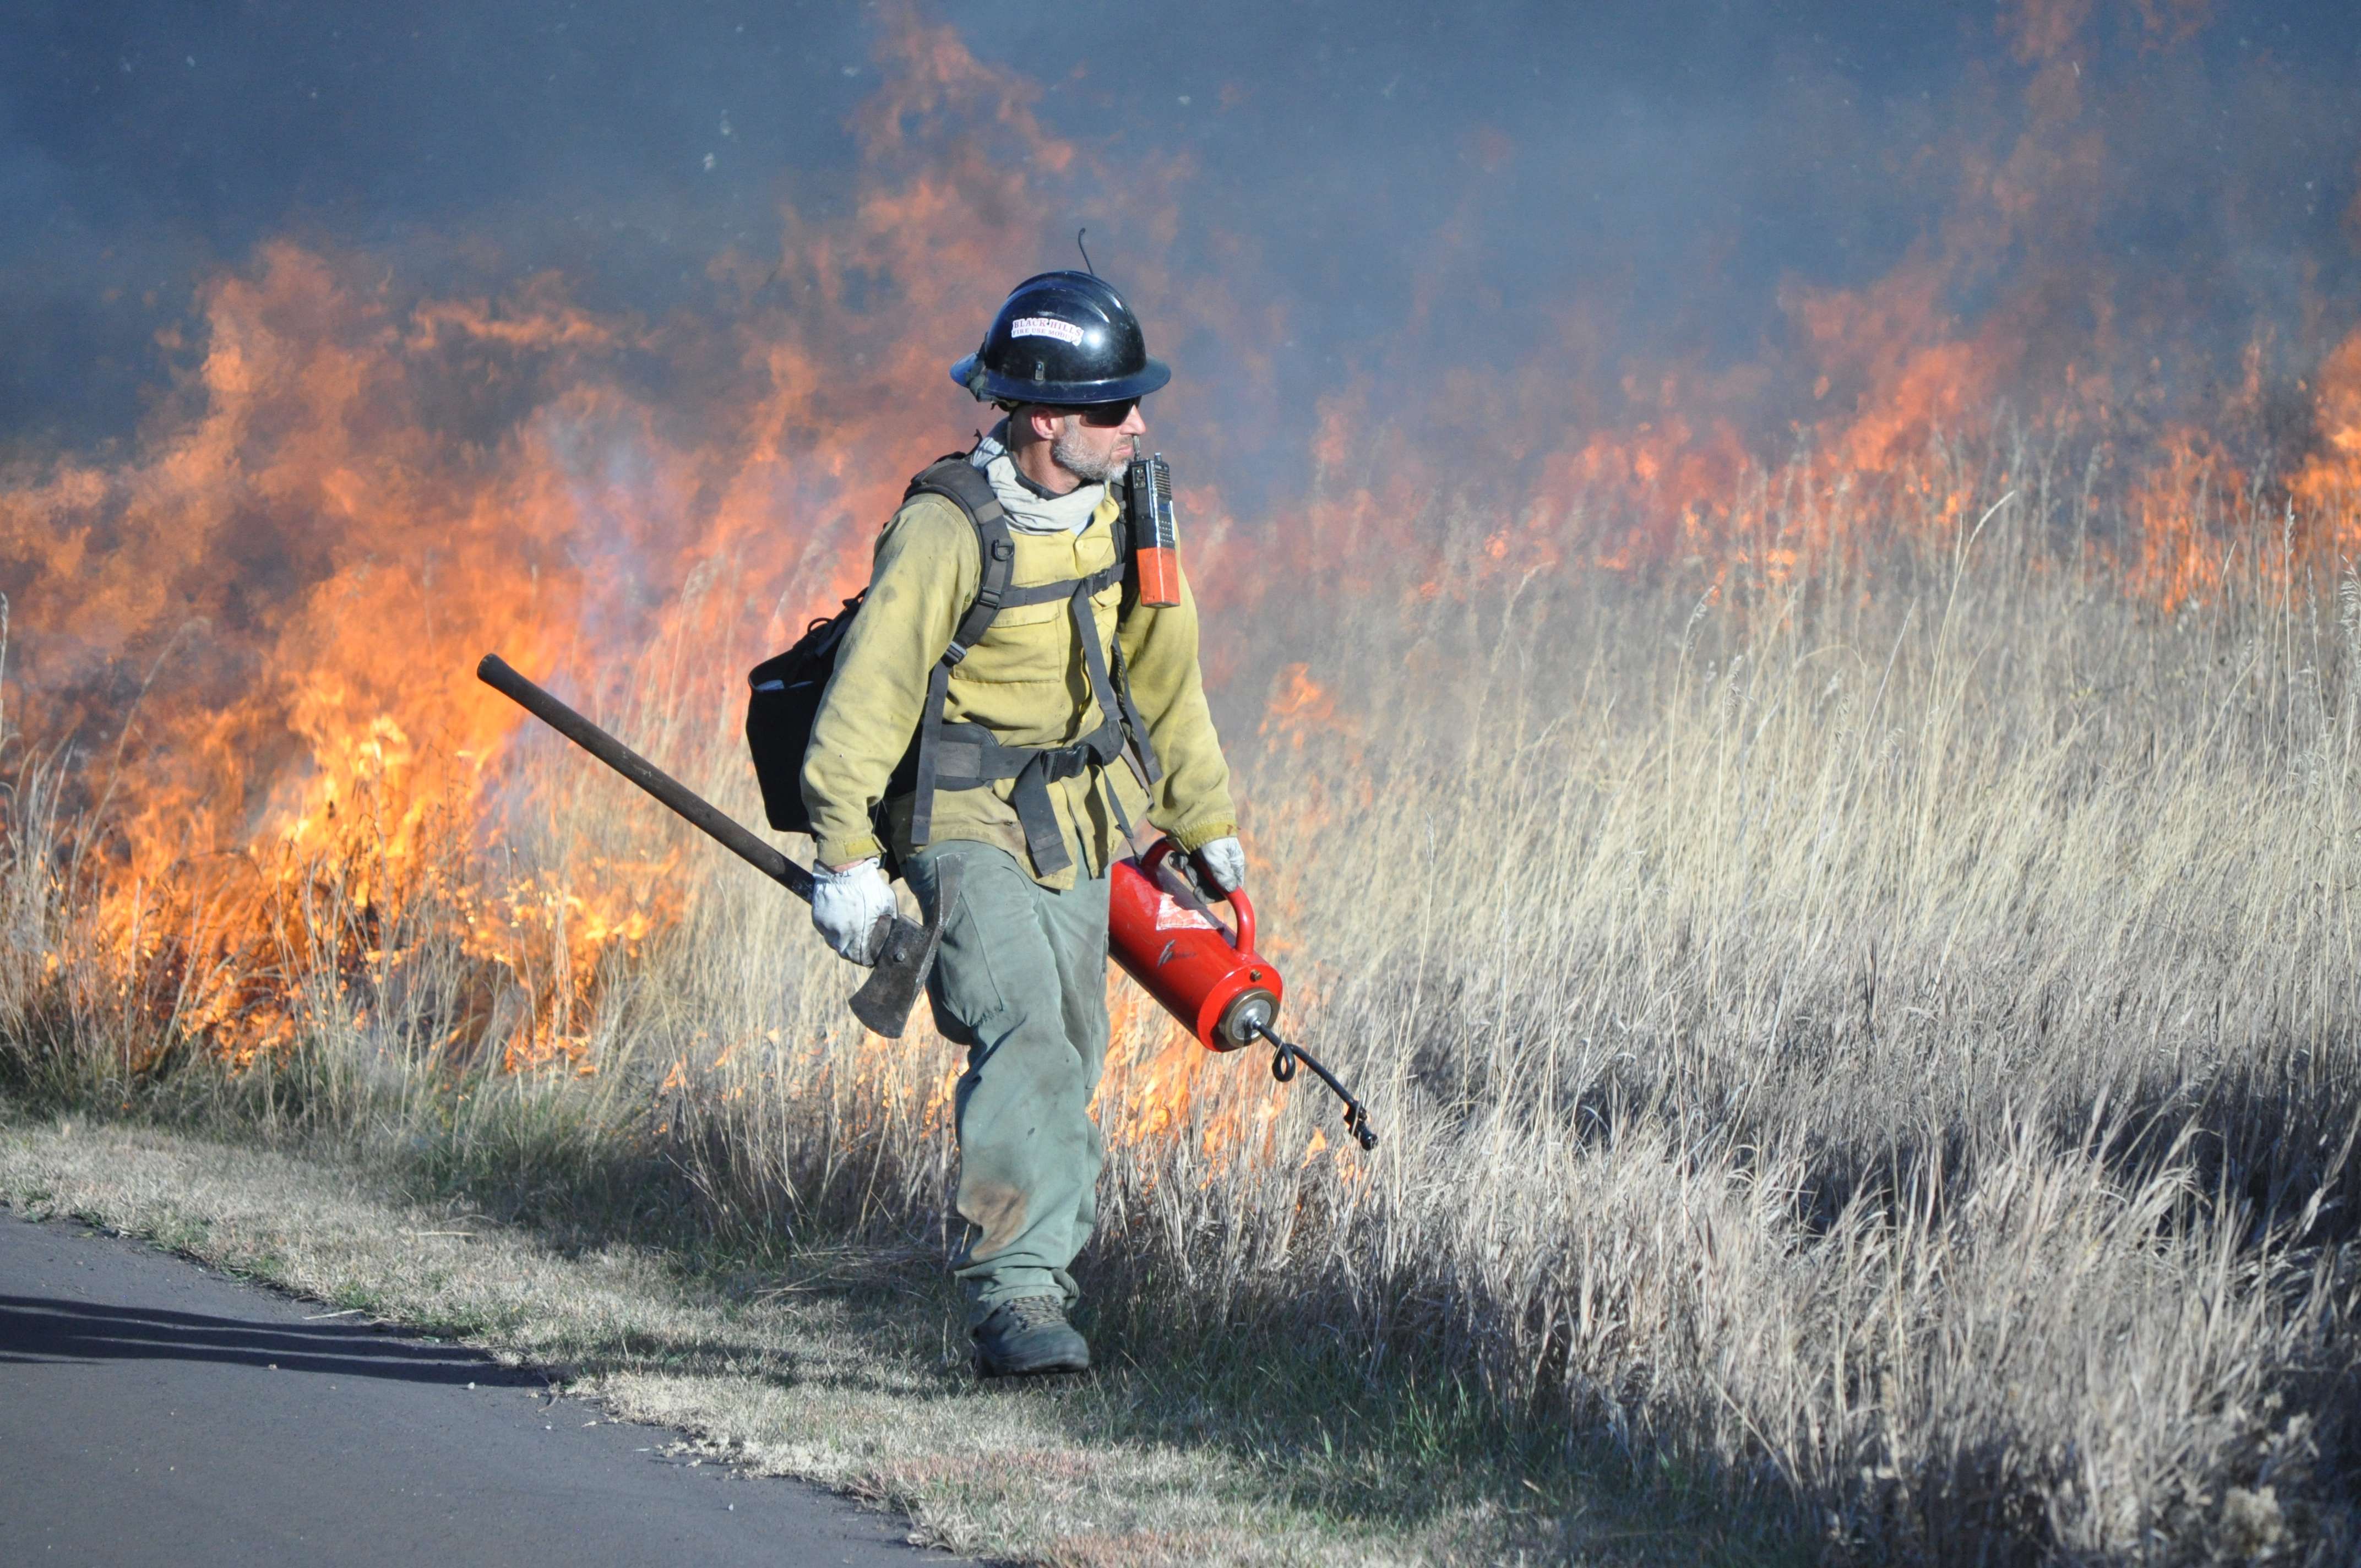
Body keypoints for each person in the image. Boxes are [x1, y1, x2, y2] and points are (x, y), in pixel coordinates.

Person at [798, 270, 1245, 1377]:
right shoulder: (950, 524)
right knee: (1023, 1032)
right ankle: (1018, 1298)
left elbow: (1165, 673)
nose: (1135, 424)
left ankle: (1044, 1270)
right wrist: (847, 855)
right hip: (958, 814)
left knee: (1074, 1046)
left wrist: (1202, 818)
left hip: (1078, 817)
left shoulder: (1133, 512)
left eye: (1132, 405)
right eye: (1110, 408)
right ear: (1043, 415)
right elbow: (872, 689)